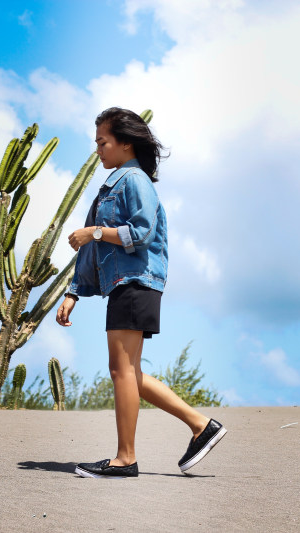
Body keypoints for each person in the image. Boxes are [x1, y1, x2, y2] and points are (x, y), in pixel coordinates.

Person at [56, 107, 227, 479]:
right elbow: (93, 252)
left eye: (103, 142)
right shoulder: (111, 186)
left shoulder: (134, 181)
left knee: (121, 370)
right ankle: (201, 426)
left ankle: (125, 458)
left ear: (126, 143)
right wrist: (74, 292)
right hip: (127, 284)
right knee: (128, 371)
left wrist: (94, 232)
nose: (98, 149)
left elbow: (141, 231)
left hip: (136, 281)